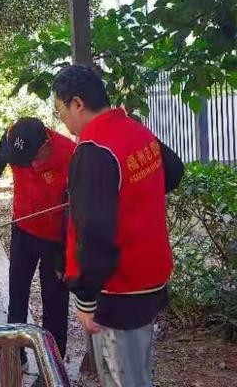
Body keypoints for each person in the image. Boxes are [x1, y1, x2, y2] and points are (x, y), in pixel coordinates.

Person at [52, 65, 184, 387]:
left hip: (118, 286)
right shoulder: (135, 130)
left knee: (122, 377)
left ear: (78, 104)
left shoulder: (93, 148)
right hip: (151, 276)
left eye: (60, 111)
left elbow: (93, 232)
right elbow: (174, 170)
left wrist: (85, 297)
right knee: (138, 369)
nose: (63, 122)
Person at [0, 117, 75, 380]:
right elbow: (1, 156)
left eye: (29, 160)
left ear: (45, 144)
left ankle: (52, 367)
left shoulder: (69, 154)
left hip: (56, 238)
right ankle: (15, 355)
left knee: (54, 302)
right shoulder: (13, 137)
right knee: (17, 293)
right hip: (22, 228)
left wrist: (66, 256)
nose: (25, 166)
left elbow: (79, 210)